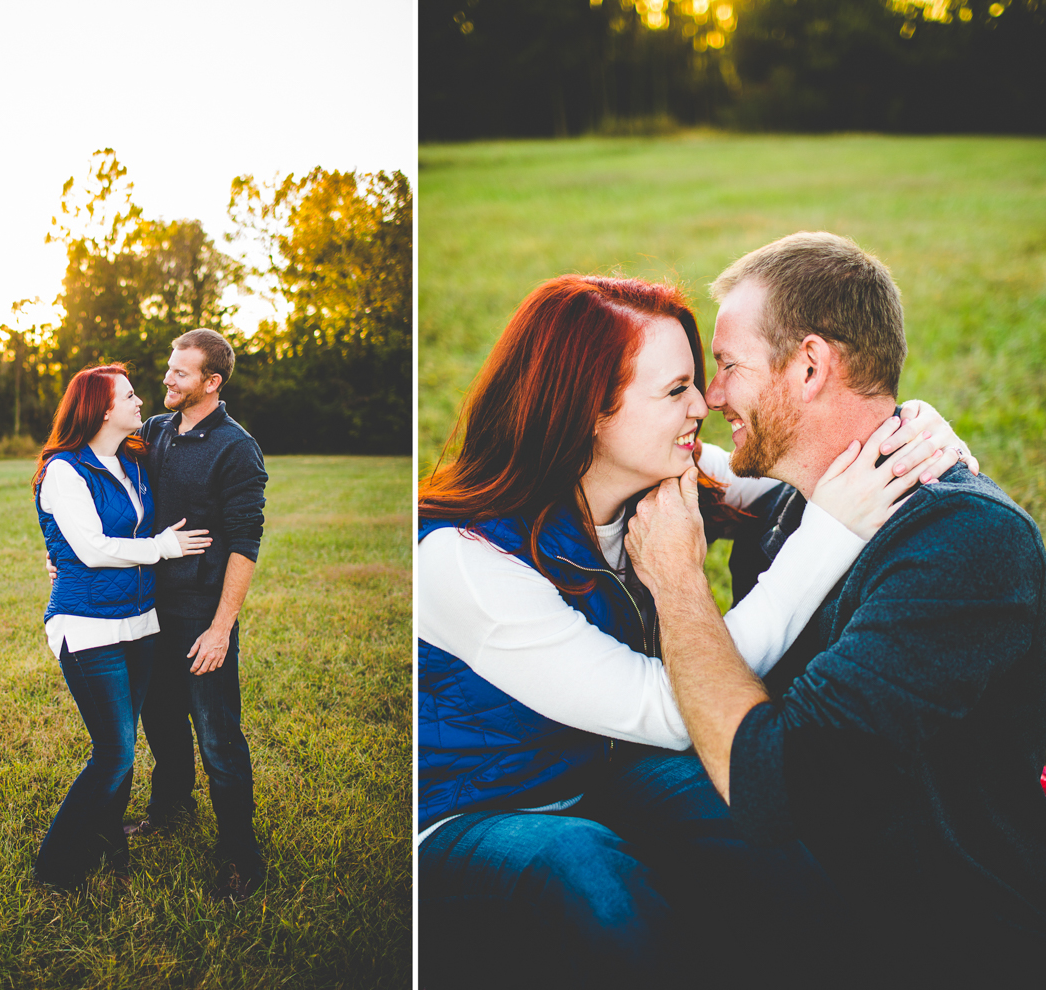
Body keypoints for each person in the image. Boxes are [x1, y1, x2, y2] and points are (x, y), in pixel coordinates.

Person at [416, 275, 971, 986]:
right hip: (469, 813)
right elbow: (670, 709)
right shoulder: (465, 562)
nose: (704, 404)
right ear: (589, 410)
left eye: (701, 381)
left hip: (601, 771)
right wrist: (827, 533)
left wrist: (909, 428)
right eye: (675, 389)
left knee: (752, 818)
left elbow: (810, 456)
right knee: (583, 868)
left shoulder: (663, 474)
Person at [624, 231, 1046, 982]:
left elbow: (772, 780)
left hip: (941, 941)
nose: (712, 397)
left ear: (812, 366)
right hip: (815, 894)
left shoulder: (965, 545)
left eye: (727, 368)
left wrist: (679, 583)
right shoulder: (791, 502)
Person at [31, 362, 209, 889]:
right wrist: (161, 548)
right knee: (112, 752)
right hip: (87, 628)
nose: (140, 402)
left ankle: (110, 849)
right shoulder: (65, 470)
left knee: (125, 749)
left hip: (140, 625)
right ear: (101, 409)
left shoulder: (132, 463)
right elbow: (89, 547)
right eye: (129, 396)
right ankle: (56, 867)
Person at [127, 328, 268, 903]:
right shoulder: (156, 430)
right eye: (169, 368)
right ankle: (170, 809)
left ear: (211, 382)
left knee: (218, 737)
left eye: (180, 373)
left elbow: (245, 541)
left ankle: (240, 853)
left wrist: (220, 627)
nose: (167, 379)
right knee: (159, 719)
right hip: (146, 608)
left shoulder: (236, 448)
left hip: (200, 615)